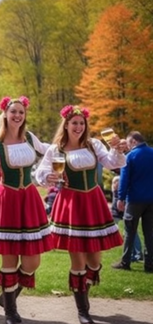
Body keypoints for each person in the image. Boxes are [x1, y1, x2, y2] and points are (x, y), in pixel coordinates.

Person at [35, 104, 126, 324]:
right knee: (78, 261)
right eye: (74, 123)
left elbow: (115, 164)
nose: (78, 126)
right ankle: (82, 309)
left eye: (81, 123)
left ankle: (90, 276)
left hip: (93, 202)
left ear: (85, 126)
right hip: (71, 203)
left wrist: (118, 149)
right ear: (66, 125)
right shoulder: (56, 149)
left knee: (94, 261)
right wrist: (48, 177)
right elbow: (40, 172)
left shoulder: (93, 145)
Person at [0, 96, 53, 324]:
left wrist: (48, 171)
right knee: (9, 260)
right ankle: (11, 311)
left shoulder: (30, 138)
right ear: (5, 114)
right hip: (6, 200)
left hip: (29, 199)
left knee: (32, 262)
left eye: (21, 112)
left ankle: (7, 296)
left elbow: (51, 152)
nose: (18, 116)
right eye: (13, 112)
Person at [111, 131, 153, 273]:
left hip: (134, 200)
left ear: (133, 141)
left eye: (128, 143)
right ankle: (150, 264)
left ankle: (125, 261)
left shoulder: (129, 157)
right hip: (151, 200)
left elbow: (124, 180)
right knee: (150, 233)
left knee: (130, 231)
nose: (127, 146)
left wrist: (120, 198)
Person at [109, 175, 143, 262]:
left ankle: (137, 254)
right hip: (116, 213)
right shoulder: (115, 191)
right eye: (114, 182)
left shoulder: (122, 192)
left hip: (123, 212)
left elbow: (122, 204)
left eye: (117, 182)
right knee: (126, 232)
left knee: (130, 233)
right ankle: (135, 253)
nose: (115, 184)